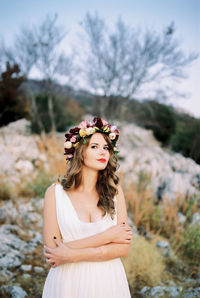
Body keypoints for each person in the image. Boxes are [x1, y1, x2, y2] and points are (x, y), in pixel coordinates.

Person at [42, 116, 132, 298]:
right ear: (79, 152)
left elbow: (123, 249)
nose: (103, 153)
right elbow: (53, 252)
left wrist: (71, 254)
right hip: (67, 283)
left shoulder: (115, 192)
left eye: (106, 147)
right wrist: (107, 236)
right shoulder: (55, 194)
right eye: (94, 146)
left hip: (108, 282)